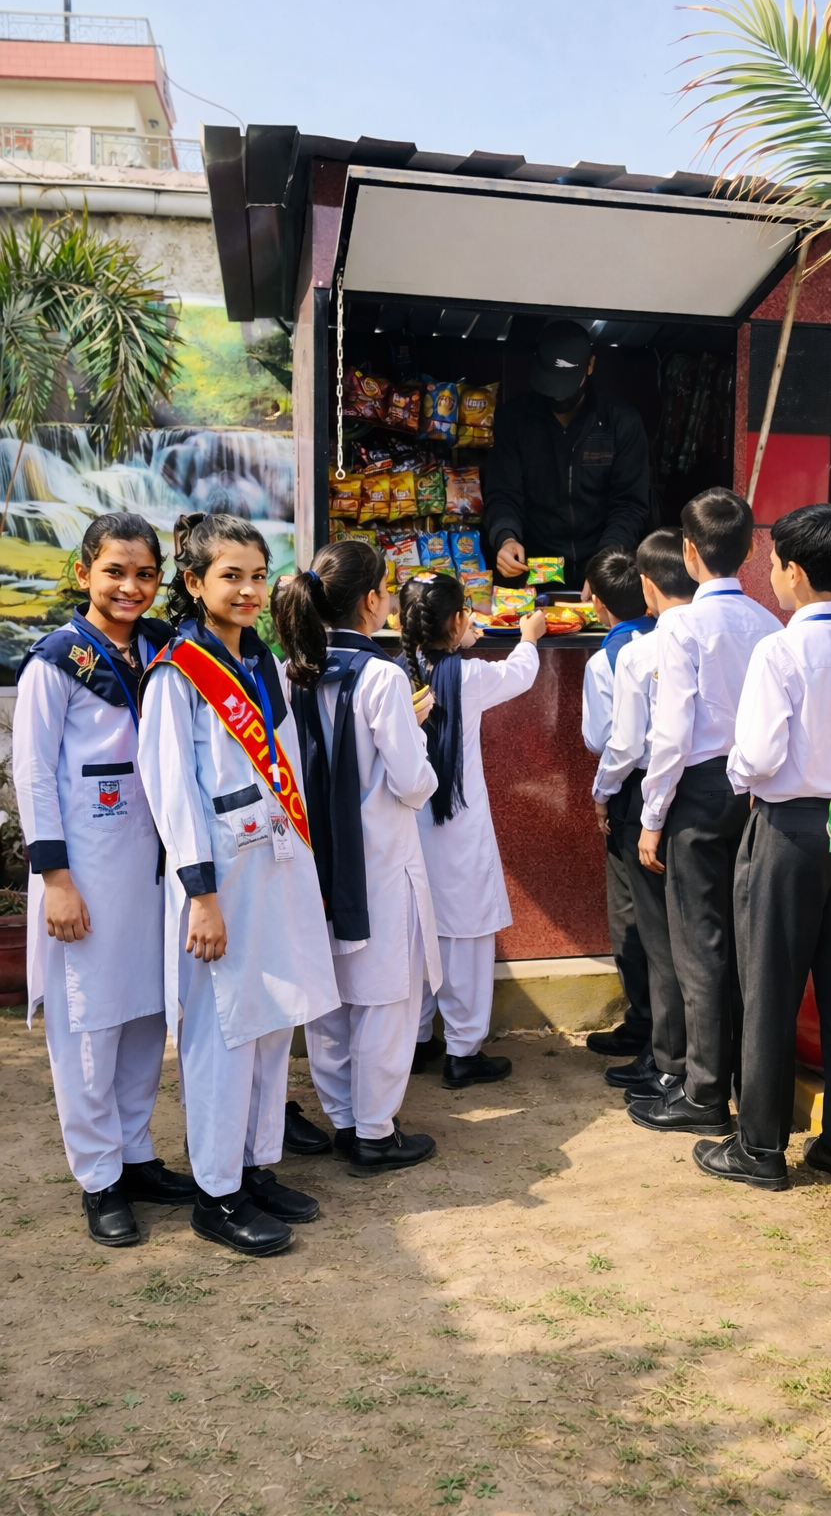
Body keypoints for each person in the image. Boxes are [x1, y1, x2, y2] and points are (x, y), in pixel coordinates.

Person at [138, 513, 340, 1256]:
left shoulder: (263, 661)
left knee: (270, 1020)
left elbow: (284, 764)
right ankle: (216, 1193)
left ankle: (256, 1169)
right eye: (231, 576)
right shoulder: (177, 674)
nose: (249, 589)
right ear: (193, 584)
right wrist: (201, 895)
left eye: (258, 575)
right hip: (219, 880)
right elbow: (172, 793)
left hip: (276, 867)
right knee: (222, 1033)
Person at [692, 505, 831, 1193]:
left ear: (795, 570)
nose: (771, 574)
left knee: (770, 987)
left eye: (775, 561)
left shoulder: (780, 651)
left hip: (786, 822)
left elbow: (754, 756)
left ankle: (759, 1147)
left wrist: (735, 778)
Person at [12, 512, 197, 1248]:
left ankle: (136, 1152)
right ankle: (98, 1178)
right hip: (84, 871)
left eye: (145, 574)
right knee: (89, 1023)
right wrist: (54, 877)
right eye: (115, 571)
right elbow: (32, 774)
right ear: (83, 571)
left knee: (147, 1016)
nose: (130, 586)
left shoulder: (162, 650)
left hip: (152, 870)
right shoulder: (55, 662)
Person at [276, 542, 442, 1176]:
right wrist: (418, 724)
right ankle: (374, 1132)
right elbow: (412, 781)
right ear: (373, 601)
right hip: (377, 862)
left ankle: (346, 1118)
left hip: (313, 861)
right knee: (383, 1000)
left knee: (331, 998)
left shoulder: (293, 670)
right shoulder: (382, 677)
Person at [635, 489, 781, 1135]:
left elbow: (670, 733)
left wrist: (651, 813)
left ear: (688, 551)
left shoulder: (682, 626)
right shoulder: (770, 625)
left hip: (695, 790)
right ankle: (737, 1085)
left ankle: (701, 1095)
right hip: (754, 792)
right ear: (751, 549)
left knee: (699, 946)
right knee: (743, 944)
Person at [400, 572, 547, 1087]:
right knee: (465, 936)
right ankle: (464, 1051)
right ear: (459, 619)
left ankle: (414, 1042)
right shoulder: (468, 677)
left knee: (415, 935)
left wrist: (458, 638)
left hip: (407, 830)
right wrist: (529, 637)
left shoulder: (392, 674)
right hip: (457, 827)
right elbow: (520, 674)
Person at [590, 530, 697, 1102]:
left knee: (653, 932)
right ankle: (688, 1058)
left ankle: (664, 1055)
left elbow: (622, 743)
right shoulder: (745, 632)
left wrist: (604, 793)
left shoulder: (631, 653)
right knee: (700, 933)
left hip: (646, 793)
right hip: (717, 796)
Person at [483, 319, 650, 590]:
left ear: (591, 365)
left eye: (567, 384)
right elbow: (503, 493)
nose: (558, 395)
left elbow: (629, 505)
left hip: (600, 566)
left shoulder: (621, 422)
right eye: (550, 383)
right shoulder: (514, 419)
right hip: (530, 570)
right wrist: (505, 537)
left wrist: (606, 563)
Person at [580, 548, 656, 1058]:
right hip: (686, 786)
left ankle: (646, 1025)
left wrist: (602, 794)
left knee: (632, 914)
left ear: (601, 604)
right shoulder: (672, 636)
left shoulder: (605, 658)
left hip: (630, 788)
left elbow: (603, 739)